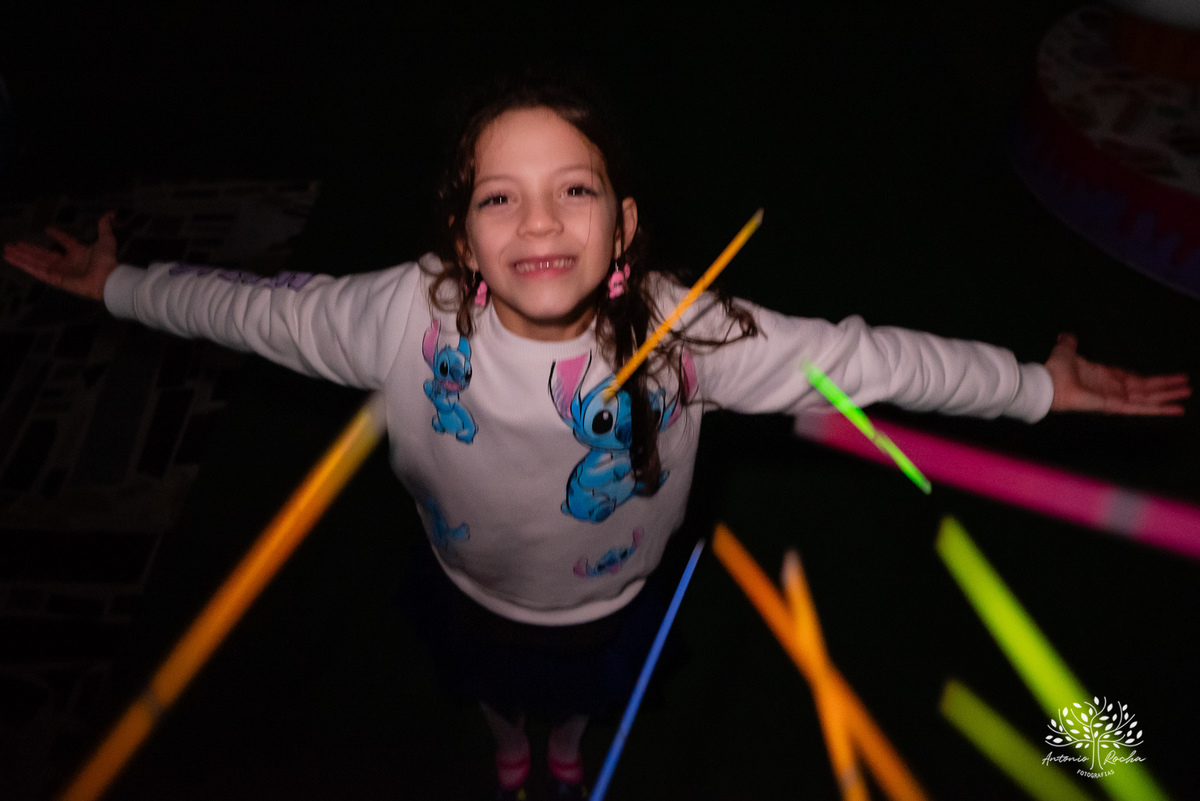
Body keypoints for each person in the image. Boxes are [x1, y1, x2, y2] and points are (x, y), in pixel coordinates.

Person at [4, 78, 1190, 801]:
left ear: (620, 222)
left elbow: (870, 356)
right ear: (462, 236)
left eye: (572, 189)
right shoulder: (394, 315)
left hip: (613, 606)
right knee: (489, 695)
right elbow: (246, 313)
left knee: (575, 713)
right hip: (467, 587)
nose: (537, 220)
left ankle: (559, 758)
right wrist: (119, 287)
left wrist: (1038, 385)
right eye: (498, 195)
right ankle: (509, 753)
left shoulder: (692, 332)